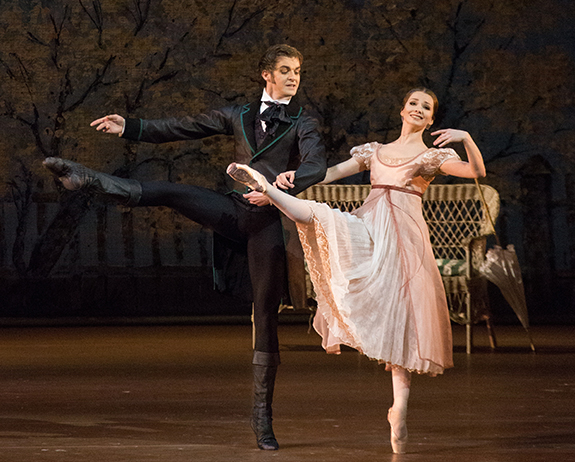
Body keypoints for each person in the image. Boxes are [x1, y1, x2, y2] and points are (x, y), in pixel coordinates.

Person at [43, 44, 327, 451]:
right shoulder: (237, 115)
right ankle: (93, 180)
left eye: (297, 71)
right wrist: (129, 127)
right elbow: (181, 126)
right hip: (232, 209)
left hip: (267, 223)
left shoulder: (303, 121)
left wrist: (288, 182)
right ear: (266, 74)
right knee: (174, 192)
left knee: (265, 314)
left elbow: (316, 162)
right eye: (285, 70)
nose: (293, 77)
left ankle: (262, 421)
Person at [227, 87, 486, 454]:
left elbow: (476, 170)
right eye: (413, 103)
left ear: (430, 120)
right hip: (369, 228)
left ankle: (399, 409)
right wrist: (294, 178)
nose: (417, 109)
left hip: (404, 242)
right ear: (402, 110)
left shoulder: (431, 156)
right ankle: (269, 189)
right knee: (321, 216)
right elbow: (329, 173)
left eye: (425, 107)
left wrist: (467, 138)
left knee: (402, 325)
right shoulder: (374, 151)